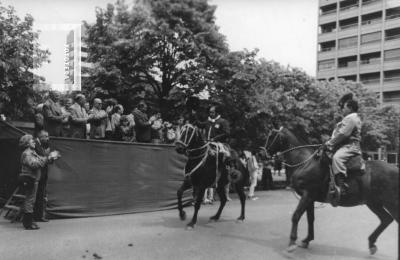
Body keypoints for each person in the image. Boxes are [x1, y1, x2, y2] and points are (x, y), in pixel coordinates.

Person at [18, 134, 60, 230]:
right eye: (31, 141)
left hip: (33, 178)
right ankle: (28, 223)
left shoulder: (32, 152)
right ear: (27, 143)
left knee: (31, 200)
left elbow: (40, 160)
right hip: (30, 178)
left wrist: (51, 157)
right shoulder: (27, 153)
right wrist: (48, 158)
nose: (34, 142)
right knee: (30, 201)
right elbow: (35, 164)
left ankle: (29, 221)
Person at [325, 93, 362, 198]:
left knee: (337, 158)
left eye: (344, 107)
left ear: (350, 108)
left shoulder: (351, 118)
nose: (342, 109)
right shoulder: (349, 118)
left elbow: (343, 134)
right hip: (344, 145)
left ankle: (342, 187)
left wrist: (329, 143)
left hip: (350, 146)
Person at [33, 130, 51, 222]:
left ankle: (39, 216)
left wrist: (50, 158)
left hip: (42, 173)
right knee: (37, 195)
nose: (48, 138)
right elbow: (41, 158)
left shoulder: (41, 145)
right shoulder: (35, 144)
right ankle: (36, 217)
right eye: (46, 136)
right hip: (37, 174)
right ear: (41, 137)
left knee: (41, 195)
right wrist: (48, 156)